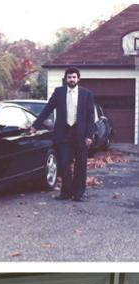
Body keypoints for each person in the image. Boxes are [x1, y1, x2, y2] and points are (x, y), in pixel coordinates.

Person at [30, 66, 95, 202]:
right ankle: (65, 192)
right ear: (66, 79)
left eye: (74, 77)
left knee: (80, 165)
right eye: (69, 77)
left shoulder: (87, 94)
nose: (71, 79)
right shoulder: (59, 92)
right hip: (64, 133)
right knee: (64, 164)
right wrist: (35, 125)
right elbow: (48, 109)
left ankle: (78, 194)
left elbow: (90, 117)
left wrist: (89, 135)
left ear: (78, 79)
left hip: (81, 134)